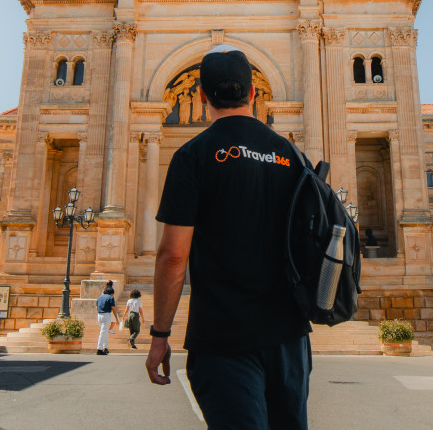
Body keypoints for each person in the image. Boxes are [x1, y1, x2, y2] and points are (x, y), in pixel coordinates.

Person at [146, 45, 312, 430]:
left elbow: (173, 256)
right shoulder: (291, 155)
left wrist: (160, 334)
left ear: (201, 96)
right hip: (289, 339)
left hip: (223, 336)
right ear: (254, 93)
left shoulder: (193, 155)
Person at [95, 285, 120, 355]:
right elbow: (113, 308)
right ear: (112, 293)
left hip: (99, 315)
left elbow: (96, 307)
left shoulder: (100, 297)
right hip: (106, 315)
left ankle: (105, 347)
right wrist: (116, 318)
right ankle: (99, 348)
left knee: (104, 331)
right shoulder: (110, 298)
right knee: (103, 332)